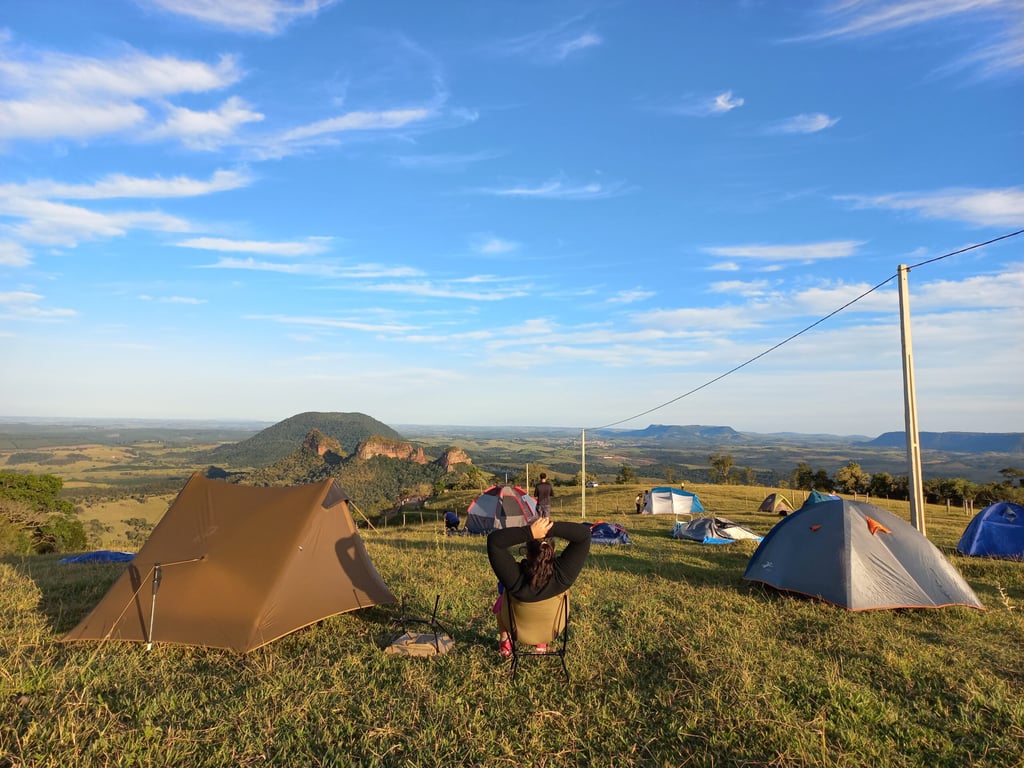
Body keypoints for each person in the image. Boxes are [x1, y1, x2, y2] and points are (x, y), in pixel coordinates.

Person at [487, 517, 591, 657]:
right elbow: (584, 534)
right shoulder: (563, 575)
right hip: (551, 631)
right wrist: (549, 528)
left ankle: (505, 640)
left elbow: (494, 541)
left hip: (517, 631)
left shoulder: (514, 578)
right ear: (552, 551)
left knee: (501, 601)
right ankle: (541, 644)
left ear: (527, 552)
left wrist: (530, 531)